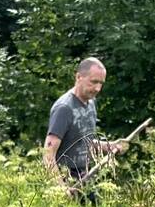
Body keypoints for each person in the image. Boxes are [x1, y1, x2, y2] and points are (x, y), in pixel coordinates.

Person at [43, 57, 130, 196]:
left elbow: (85, 141)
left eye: (101, 83)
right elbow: (48, 153)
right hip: (66, 179)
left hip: (86, 176)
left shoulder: (91, 103)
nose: (98, 88)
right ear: (78, 77)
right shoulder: (64, 108)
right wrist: (60, 188)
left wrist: (111, 146)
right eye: (94, 82)